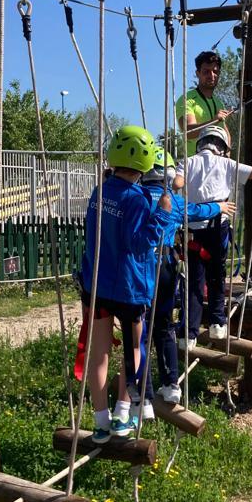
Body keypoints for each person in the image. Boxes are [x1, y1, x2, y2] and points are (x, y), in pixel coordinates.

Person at [78, 126, 172, 443]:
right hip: (129, 289)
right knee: (133, 350)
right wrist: (162, 214)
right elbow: (138, 244)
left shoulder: (99, 192)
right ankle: (122, 415)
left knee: (99, 353)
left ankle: (100, 421)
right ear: (145, 160)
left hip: (96, 284)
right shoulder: (137, 198)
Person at [141, 147, 236, 404]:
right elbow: (197, 211)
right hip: (167, 263)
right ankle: (172, 384)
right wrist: (218, 206)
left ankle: (143, 392)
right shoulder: (174, 201)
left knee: (140, 327)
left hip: (140, 265)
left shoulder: (136, 197)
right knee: (164, 325)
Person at [179, 124, 252, 344]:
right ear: (221, 146)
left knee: (194, 282)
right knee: (216, 277)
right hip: (217, 227)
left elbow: (177, 182)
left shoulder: (187, 162)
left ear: (200, 144)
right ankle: (217, 323)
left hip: (193, 228)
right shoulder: (226, 163)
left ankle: (189, 334)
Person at [175, 50, 233, 156]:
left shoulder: (218, 103)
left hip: (218, 166)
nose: (212, 75)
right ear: (198, 74)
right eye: (206, 71)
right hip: (196, 166)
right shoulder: (187, 100)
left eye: (215, 71)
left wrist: (227, 156)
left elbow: (225, 132)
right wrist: (213, 121)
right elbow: (188, 132)